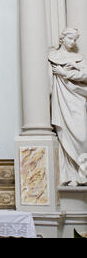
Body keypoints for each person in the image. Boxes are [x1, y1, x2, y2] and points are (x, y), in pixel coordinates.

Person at [49, 28, 87, 186]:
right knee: (64, 133)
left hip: (77, 98)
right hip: (61, 99)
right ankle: (73, 174)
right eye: (70, 38)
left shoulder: (78, 58)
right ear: (62, 38)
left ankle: (83, 169)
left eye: (75, 40)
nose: (73, 42)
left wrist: (66, 73)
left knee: (81, 134)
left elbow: (85, 75)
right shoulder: (53, 56)